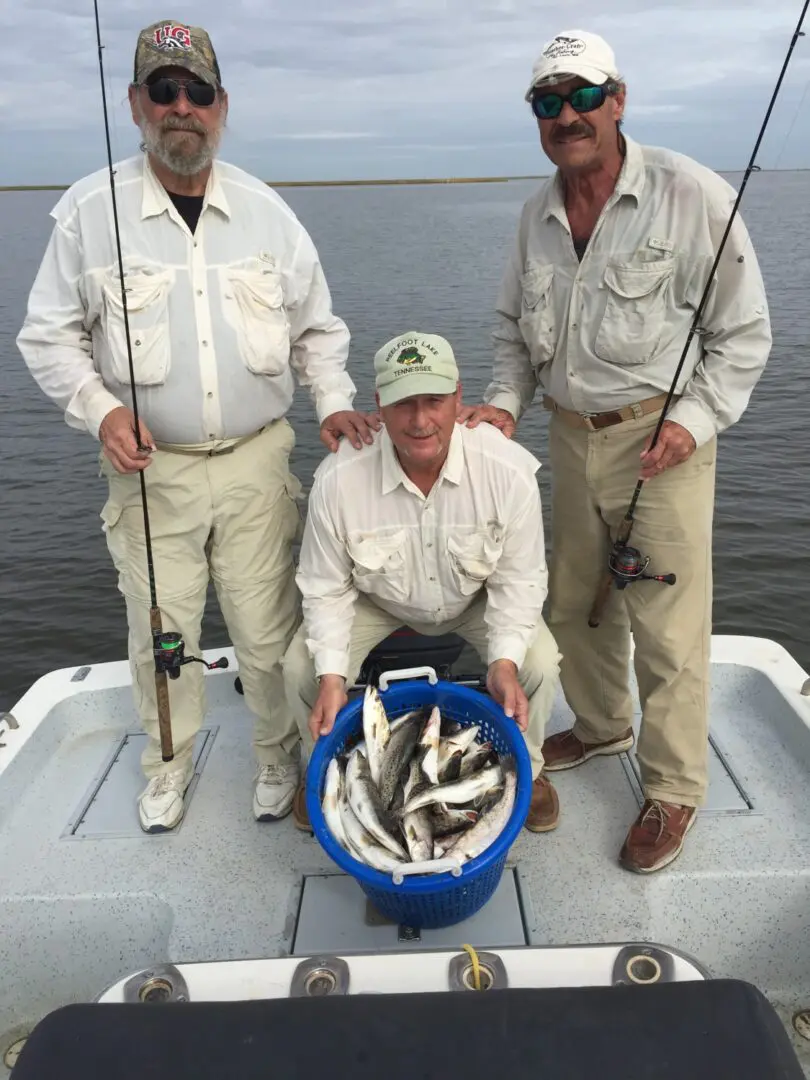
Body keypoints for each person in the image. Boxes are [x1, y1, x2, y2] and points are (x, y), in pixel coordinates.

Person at [16, 20, 378, 834]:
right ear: (137, 103)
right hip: (151, 473)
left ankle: (279, 761)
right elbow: (47, 336)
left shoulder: (268, 213)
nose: (183, 108)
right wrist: (101, 410)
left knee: (266, 632)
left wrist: (336, 405)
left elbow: (318, 332)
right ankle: (167, 765)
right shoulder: (87, 211)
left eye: (198, 92)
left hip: (256, 462)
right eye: (165, 91)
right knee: (164, 636)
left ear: (222, 107)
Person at [460, 30, 771, 873]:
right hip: (566, 435)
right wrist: (500, 408)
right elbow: (509, 338)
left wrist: (692, 423)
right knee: (573, 607)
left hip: (661, 439)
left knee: (669, 628)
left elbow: (743, 337)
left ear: (618, 98)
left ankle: (673, 789)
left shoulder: (693, 195)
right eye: (548, 103)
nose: (568, 116)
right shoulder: (536, 216)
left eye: (583, 96)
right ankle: (601, 729)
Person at [281, 330, 562, 832]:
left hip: (474, 599)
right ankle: (321, 772)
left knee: (537, 662)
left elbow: (519, 582)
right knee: (301, 668)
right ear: (379, 407)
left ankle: (531, 769)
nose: (420, 420)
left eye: (434, 400)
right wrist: (330, 677)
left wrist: (502, 663)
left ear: (459, 397)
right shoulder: (337, 478)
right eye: (403, 404)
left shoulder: (509, 470)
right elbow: (325, 588)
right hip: (378, 602)